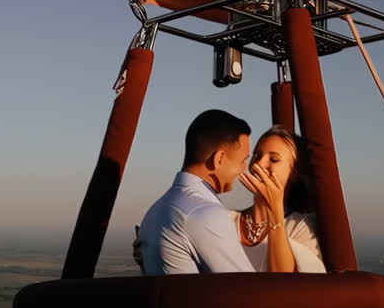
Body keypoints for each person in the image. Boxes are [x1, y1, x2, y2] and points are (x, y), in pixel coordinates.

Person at [138, 110, 257, 275]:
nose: (244, 168)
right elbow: (247, 290)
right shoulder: (204, 213)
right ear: (219, 159)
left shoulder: (155, 211)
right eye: (243, 160)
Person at [231, 126, 325, 273]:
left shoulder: (303, 226)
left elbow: (284, 283)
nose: (258, 164)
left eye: (274, 159)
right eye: (256, 155)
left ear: (294, 173)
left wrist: (274, 208)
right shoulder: (226, 218)